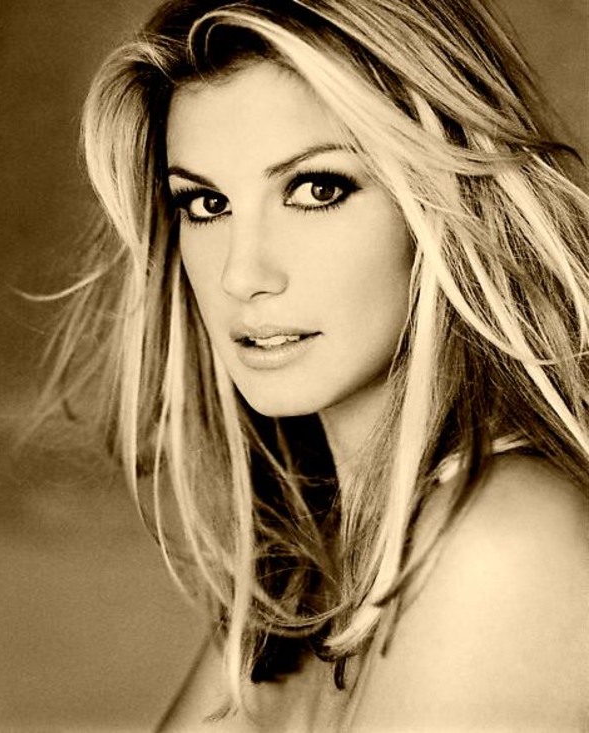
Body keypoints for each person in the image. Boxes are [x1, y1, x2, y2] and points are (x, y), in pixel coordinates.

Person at [42, 0, 588, 729]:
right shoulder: (312, 571)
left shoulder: (505, 542)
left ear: (444, 202)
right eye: (206, 203)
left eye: (316, 189)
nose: (242, 275)